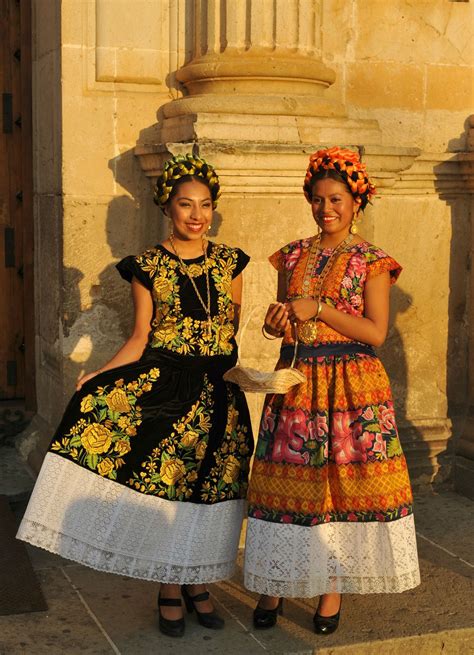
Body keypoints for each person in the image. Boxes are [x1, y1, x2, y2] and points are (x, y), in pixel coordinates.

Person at [17, 153, 253, 638]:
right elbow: (140, 336)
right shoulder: (147, 265)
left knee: (211, 490)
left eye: (205, 205)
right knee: (168, 492)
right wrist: (97, 377)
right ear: (167, 206)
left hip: (218, 394)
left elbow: (229, 331)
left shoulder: (231, 261)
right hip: (167, 388)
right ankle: (169, 587)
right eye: (185, 205)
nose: (196, 215)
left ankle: (197, 581)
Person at [244, 147, 420, 634]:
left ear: (356, 201)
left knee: (337, 488)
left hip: (351, 387)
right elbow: (286, 322)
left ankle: (331, 589)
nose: (327, 209)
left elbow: (376, 333)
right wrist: (275, 320)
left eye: (337, 199)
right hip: (298, 382)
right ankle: (273, 584)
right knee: (286, 483)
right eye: (318, 199)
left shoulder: (373, 261)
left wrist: (318, 307)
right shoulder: (294, 255)